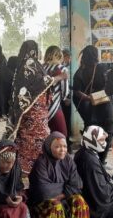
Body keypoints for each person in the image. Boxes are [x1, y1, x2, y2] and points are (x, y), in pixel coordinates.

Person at [4, 40, 67, 174]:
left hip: (27, 110)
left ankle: (23, 167)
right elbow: (42, 82)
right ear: (34, 50)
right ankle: (35, 167)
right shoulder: (30, 64)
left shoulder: (21, 66)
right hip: (35, 111)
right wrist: (60, 77)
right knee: (39, 137)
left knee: (25, 137)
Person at [29, 131, 91, 218]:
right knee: (56, 206)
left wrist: (61, 193)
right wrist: (65, 185)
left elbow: (78, 184)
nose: (62, 150)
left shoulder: (68, 160)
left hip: (63, 196)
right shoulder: (41, 163)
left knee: (79, 201)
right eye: (57, 147)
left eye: (65, 146)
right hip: (42, 202)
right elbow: (44, 191)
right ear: (49, 147)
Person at [73, 45, 113, 163]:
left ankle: (91, 159)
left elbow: (76, 92)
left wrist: (88, 98)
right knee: (108, 133)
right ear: (96, 55)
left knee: (91, 132)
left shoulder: (80, 71)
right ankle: (102, 159)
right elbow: (111, 85)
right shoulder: (103, 67)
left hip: (90, 108)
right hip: (106, 105)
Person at [43, 45, 69, 136]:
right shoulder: (62, 68)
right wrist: (65, 98)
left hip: (42, 107)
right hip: (55, 105)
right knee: (62, 134)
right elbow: (64, 91)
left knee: (46, 134)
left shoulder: (42, 67)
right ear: (59, 55)